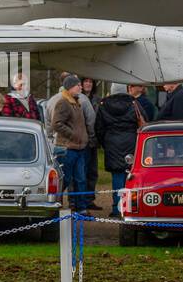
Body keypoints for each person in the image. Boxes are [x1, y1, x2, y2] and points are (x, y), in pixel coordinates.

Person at [96, 83, 143, 216]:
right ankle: (129, 206)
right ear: (126, 90)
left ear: (112, 91)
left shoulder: (103, 105)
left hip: (112, 142)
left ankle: (117, 208)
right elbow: (143, 119)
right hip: (131, 141)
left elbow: (98, 127)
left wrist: (104, 142)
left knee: (117, 175)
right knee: (130, 175)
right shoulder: (134, 103)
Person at [50, 75, 92, 210]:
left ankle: (81, 208)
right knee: (65, 179)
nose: (80, 87)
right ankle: (56, 203)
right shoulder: (63, 102)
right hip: (67, 148)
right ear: (70, 87)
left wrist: (83, 137)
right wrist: (73, 135)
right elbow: (56, 124)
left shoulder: (77, 101)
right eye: (77, 85)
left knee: (81, 179)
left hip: (79, 148)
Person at [80, 78, 102, 209]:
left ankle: (89, 200)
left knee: (92, 172)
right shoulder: (77, 99)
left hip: (93, 141)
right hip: (81, 140)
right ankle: (77, 201)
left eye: (91, 82)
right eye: (86, 81)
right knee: (80, 172)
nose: (88, 84)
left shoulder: (97, 100)